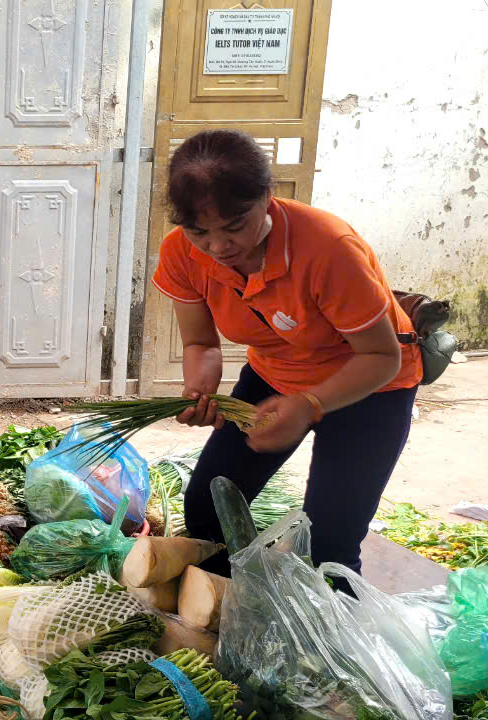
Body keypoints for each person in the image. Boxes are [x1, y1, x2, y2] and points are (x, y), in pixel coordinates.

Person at [152, 129, 423, 578]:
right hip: (274, 375)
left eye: (235, 225)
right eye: (200, 231)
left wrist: (309, 404)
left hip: (370, 387)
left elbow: (381, 356)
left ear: (268, 197)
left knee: (329, 543)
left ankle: (329, 642)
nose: (219, 247)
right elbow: (200, 343)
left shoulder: (327, 248)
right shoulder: (181, 253)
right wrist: (200, 389)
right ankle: (225, 612)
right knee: (209, 504)